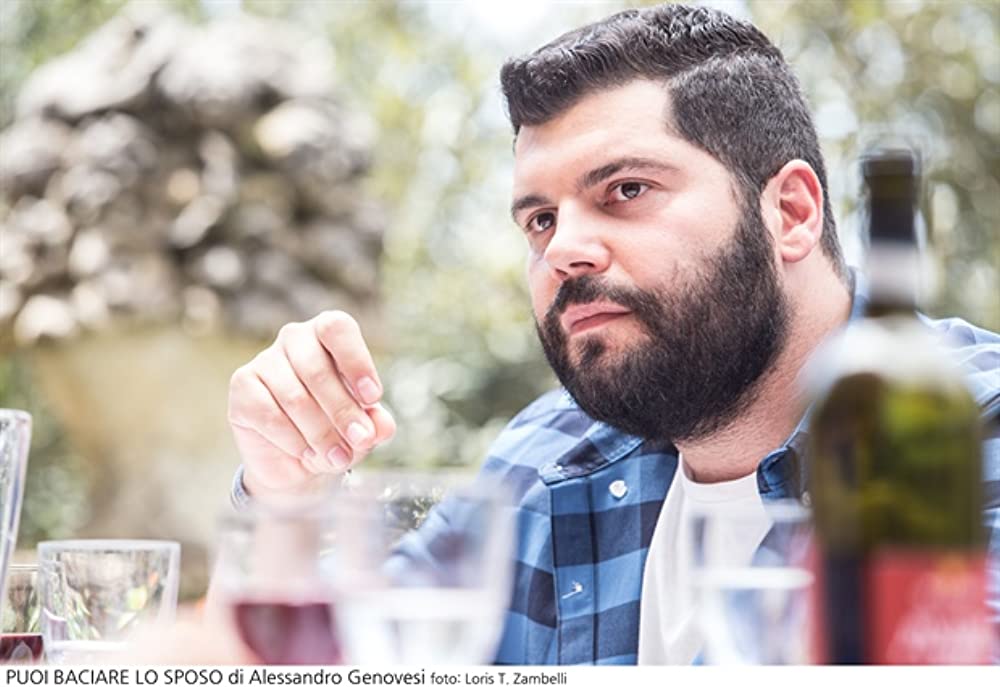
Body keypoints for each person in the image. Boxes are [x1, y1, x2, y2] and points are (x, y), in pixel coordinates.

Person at [226, 4, 1000, 664]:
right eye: (540, 219)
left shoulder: (969, 435)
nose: (562, 248)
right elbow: (336, 651)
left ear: (790, 213)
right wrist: (287, 492)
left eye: (626, 189)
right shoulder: (546, 456)